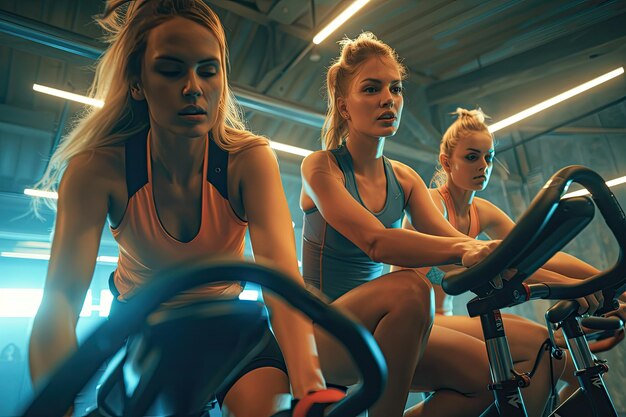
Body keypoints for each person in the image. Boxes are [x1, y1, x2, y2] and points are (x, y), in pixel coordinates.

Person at [28, 1, 333, 416]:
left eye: (208, 71)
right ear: (137, 83)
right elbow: (60, 302)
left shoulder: (248, 160)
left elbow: (282, 280)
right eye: (171, 71)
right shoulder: (97, 169)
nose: (193, 87)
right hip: (144, 330)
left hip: (230, 327)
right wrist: (55, 407)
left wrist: (309, 389)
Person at [301, 32, 511, 417]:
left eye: (395, 88)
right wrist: (467, 248)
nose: (388, 99)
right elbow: (377, 242)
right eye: (371, 89)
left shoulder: (405, 178)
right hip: (320, 334)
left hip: (375, 328)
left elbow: (450, 242)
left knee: (486, 379)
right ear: (345, 107)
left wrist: (564, 281)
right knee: (411, 288)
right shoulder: (320, 167)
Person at [394, 107, 626, 407]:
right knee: (541, 344)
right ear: (446, 161)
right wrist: (573, 286)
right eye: (471, 157)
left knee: (557, 361)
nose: (484, 165)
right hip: (420, 322)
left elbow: (535, 255)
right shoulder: (430, 207)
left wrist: (605, 280)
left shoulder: (483, 211)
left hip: (447, 320)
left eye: (489, 157)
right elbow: (500, 265)